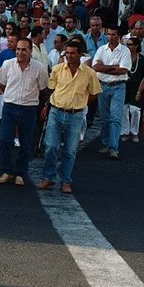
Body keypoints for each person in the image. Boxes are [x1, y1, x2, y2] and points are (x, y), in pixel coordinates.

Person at [39, 42, 102, 194]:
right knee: (51, 147)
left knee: (70, 151)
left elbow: (94, 93)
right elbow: (50, 89)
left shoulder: (89, 73)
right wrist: (46, 106)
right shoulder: (57, 69)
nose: (69, 56)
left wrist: (81, 103)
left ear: (80, 54)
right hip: (56, 112)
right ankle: (49, 177)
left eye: (73, 53)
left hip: (76, 115)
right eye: (67, 53)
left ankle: (65, 181)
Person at [0, 38, 49, 185]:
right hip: (10, 107)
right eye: (18, 49)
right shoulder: (7, 65)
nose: (20, 52)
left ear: (31, 51)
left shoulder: (40, 68)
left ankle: (20, 173)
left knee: (25, 143)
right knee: (5, 140)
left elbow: (43, 89)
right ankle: (7, 171)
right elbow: (1, 83)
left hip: (29, 109)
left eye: (24, 49)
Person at [91, 23, 131, 160]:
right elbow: (95, 66)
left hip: (118, 86)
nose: (111, 37)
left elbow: (123, 70)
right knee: (104, 118)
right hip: (103, 85)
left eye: (113, 34)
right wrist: (113, 67)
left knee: (115, 118)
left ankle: (114, 148)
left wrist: (104, 67)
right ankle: (106, 143)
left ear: (119, 36)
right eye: (109, 34)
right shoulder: (102, 49)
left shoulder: (125, 51)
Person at [121, 37, 144, 144]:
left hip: (137, 88)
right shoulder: (123, 57)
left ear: (136, 46)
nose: (128, 46)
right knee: (124, 110)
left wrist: (141, 90)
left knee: (135, 110)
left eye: (131, 44)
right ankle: (124, 132)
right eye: (127, 44)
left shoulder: (142, 60)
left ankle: (134, 132)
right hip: (124, 87)